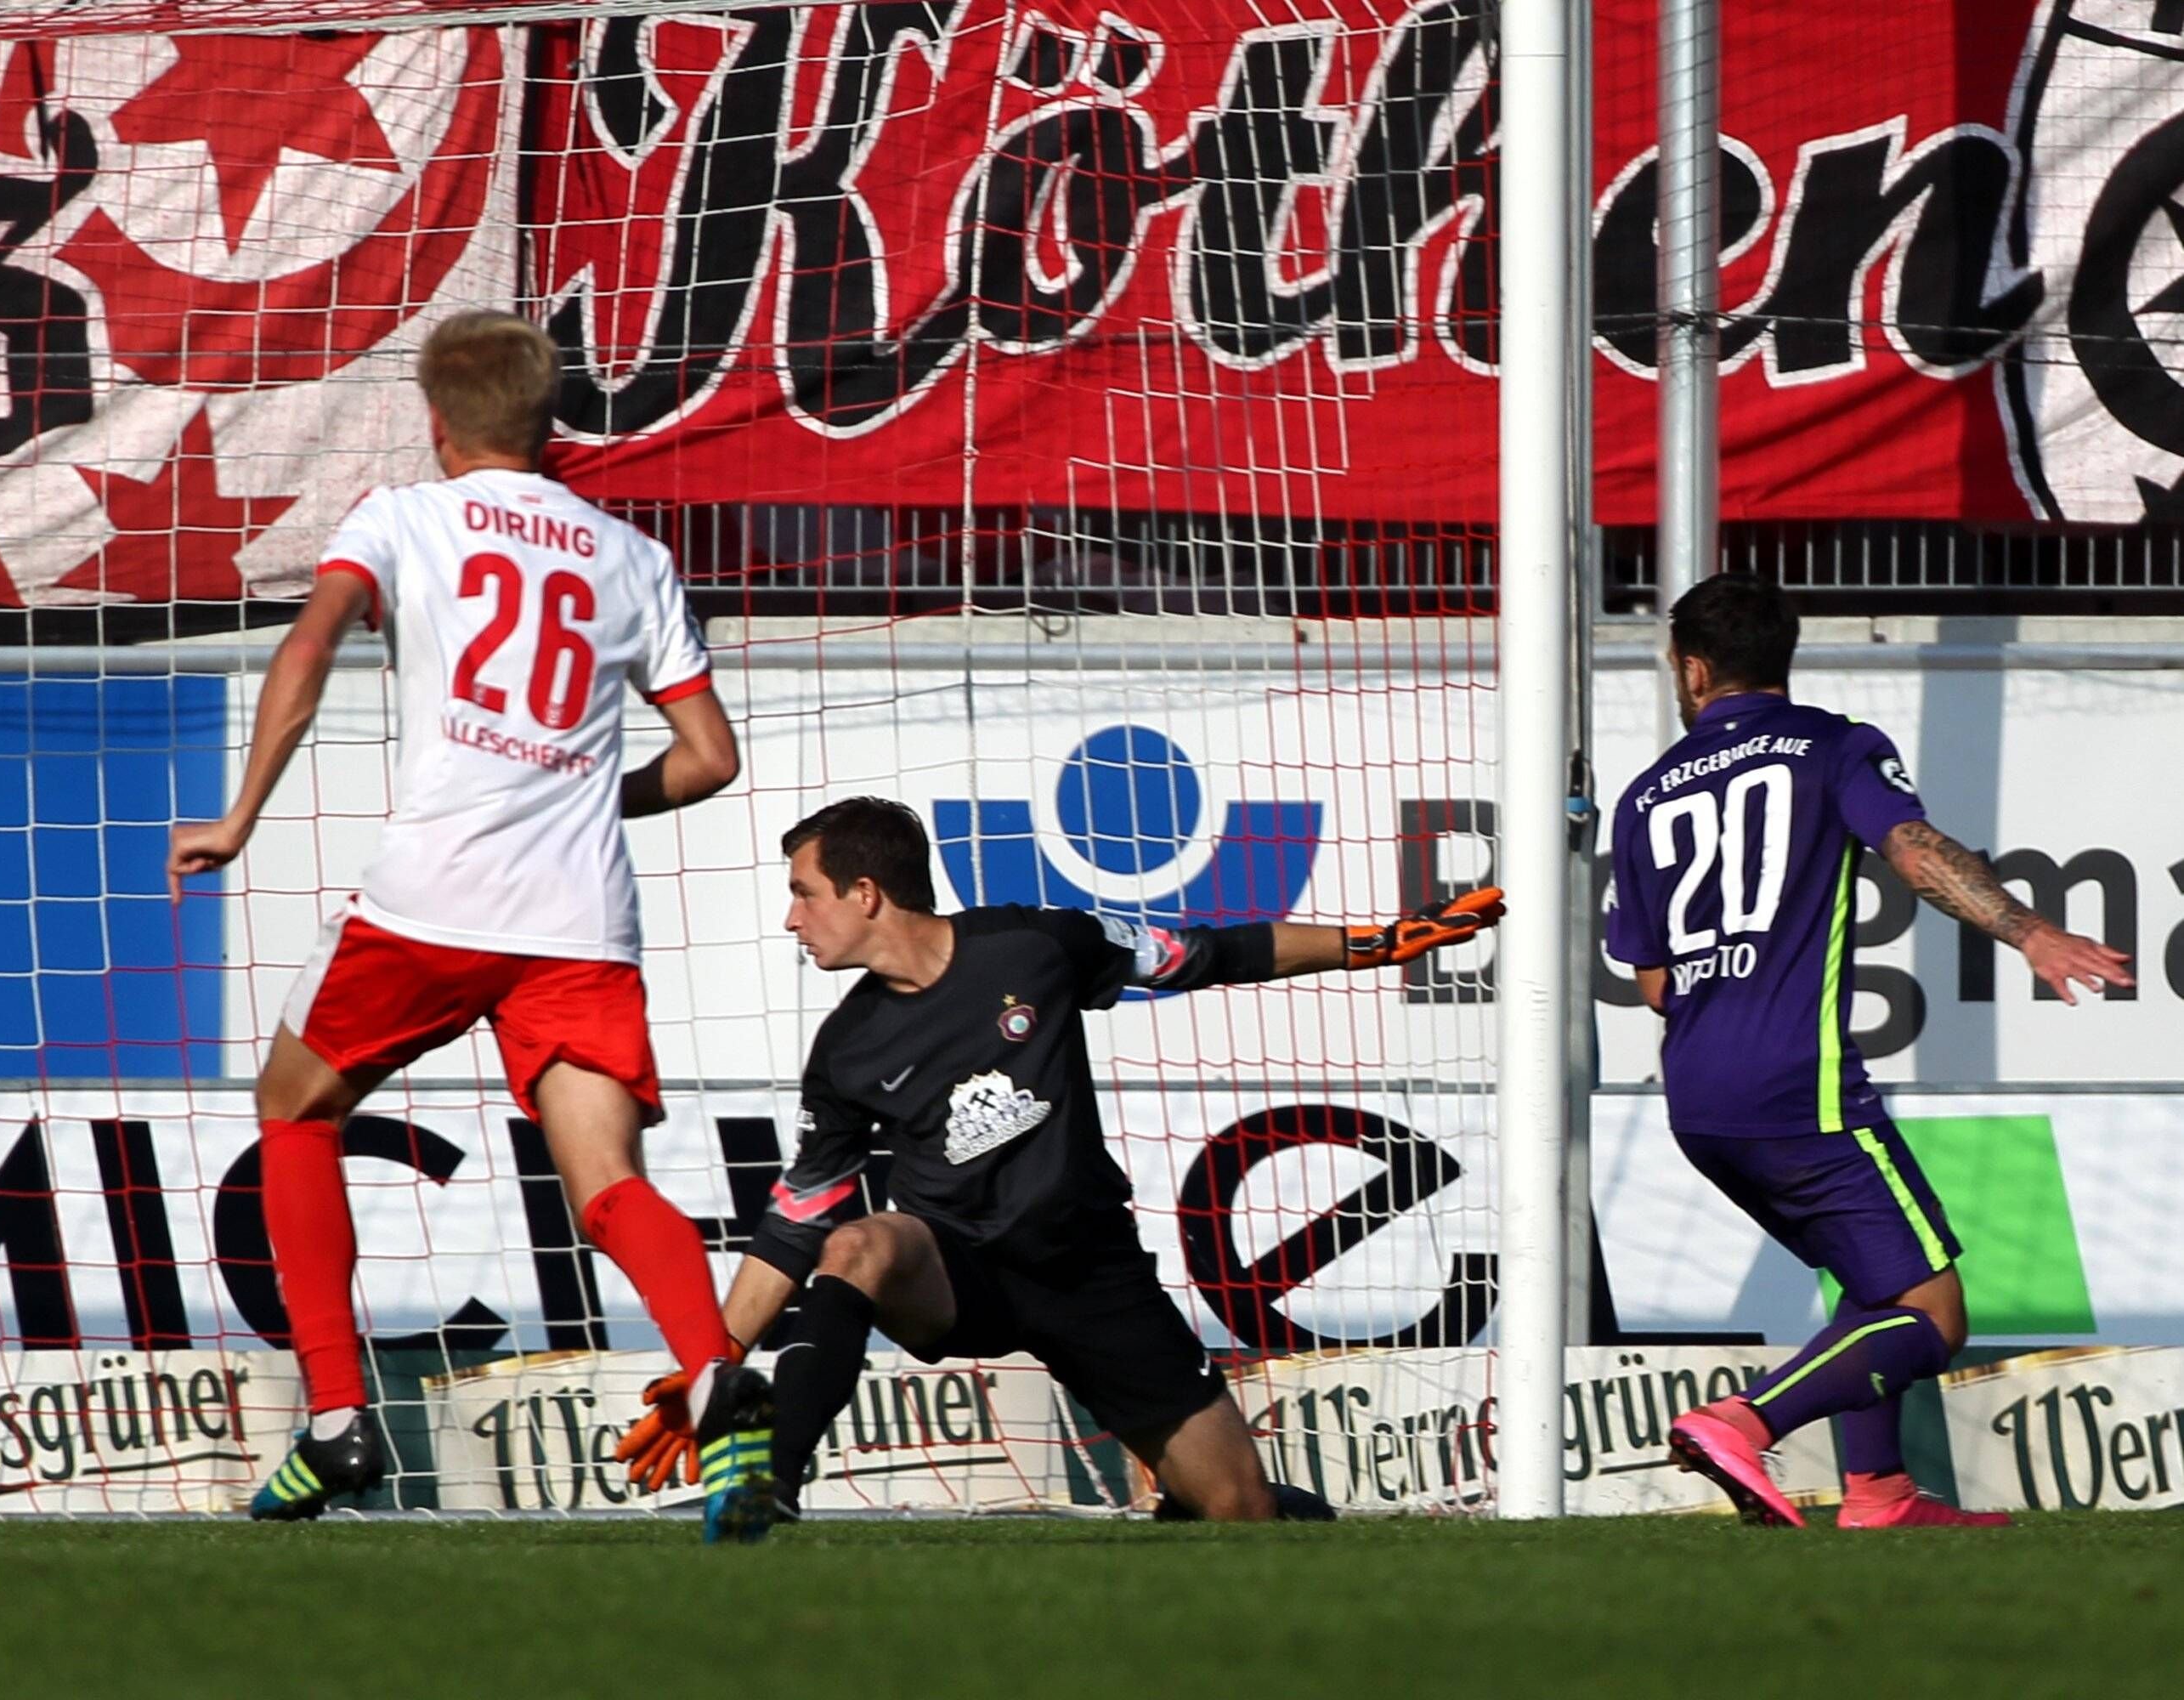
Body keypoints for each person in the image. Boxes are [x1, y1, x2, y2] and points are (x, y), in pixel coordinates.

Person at [168, 310, 770, 1532]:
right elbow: (708, 760)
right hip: (581, 915)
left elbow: (308, 646)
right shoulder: (630, 556)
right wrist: (584, 788)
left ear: (435, 421)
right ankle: (718, 1376)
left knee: (293, 1107)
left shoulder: (400, 517)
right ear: (549, 427)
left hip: (433, 903)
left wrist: (237, 817)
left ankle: (338, 1420)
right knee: (606, 1185)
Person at [614, 796, 1502, 1527]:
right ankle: (773, 1477)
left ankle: (1246, 1513)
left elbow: (1208, 954)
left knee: (1240, 1512)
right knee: (860, 1244)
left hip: (1090, 1271)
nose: (792, 916)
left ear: (866, 891)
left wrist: (1374, 941)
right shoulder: (847, 1047)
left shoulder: (1037, 947)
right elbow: (798, 1219)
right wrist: (713, 1358)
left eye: (805, 892)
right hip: (958, 1269)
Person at [1607, 575, 2133, 1529]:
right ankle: (1742, 1420)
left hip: (1695, 1090)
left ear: (1691, 669)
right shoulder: (1832, 743)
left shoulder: (1647, 793)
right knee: (1933, 1313)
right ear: (1785, 657)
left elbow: (1651, 977)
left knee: (1872, 1280)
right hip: (1796, 1083)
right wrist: (2030, 933)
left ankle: (1879, 1490)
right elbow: (1914, 846)